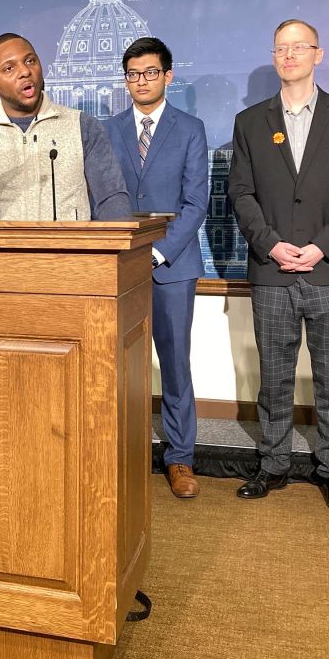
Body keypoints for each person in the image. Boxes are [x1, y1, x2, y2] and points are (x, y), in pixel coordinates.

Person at [228, 19, 329, 512]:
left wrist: (322, 245)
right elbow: (241, 193)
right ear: (274, 57)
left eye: (298, 47)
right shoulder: (250, 121)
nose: (288, 55)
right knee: (274, 378)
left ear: (318, 54)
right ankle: (273, 465)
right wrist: (271, 245)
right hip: (272, 272)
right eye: (280, 48)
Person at [106, 37, 209, 498]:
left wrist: (158, 252)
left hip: (173, 263)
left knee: (174, 364)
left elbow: (196, 202)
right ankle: (115, 451)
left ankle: (180, 459)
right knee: (115, 364)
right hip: (118, 264)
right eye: (132, 73)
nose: (140, 81)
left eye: (149, 72)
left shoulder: (190, 128)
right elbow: (98, 197)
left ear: (168, 75)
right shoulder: (105, 130)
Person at [0, 33, 131, 221]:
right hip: (0, 252)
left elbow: (112, 200)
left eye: (30, 61)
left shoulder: (84, 126)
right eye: (9, 69)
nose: (25, 72)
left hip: (70, 252)